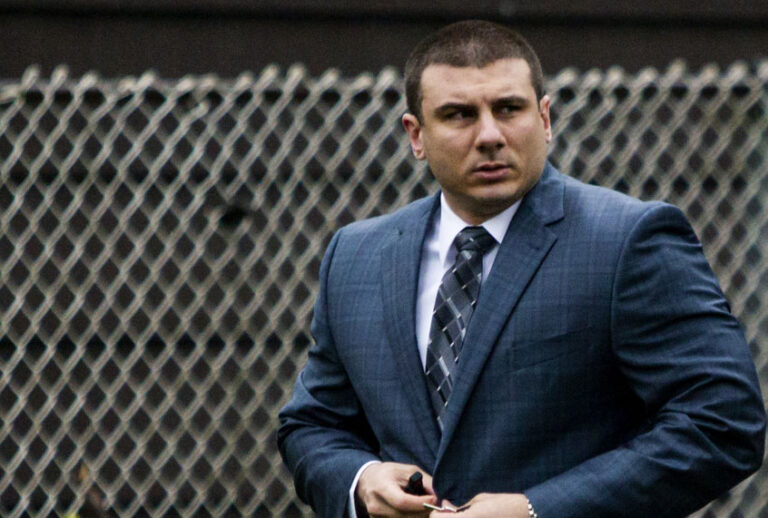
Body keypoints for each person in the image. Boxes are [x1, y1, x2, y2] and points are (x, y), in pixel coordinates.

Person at [277, 20, 766, 518]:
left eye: (508, 109)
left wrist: (538, 510)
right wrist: (361, 480)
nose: (489, 135)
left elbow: (723, 423)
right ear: (415, 135)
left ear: (546, 118)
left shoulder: (627, 240)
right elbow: (312, 426)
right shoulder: (356, 255)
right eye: (459, 115)